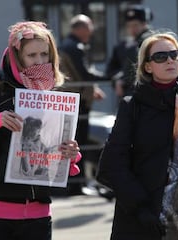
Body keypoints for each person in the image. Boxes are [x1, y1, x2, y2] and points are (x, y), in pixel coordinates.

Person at [0, 21, 81, 240]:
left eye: (45, 55)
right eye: (32, 56)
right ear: (16, 56)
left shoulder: (54, 97)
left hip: (38, 218)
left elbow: (52, 157)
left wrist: (70, 153)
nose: (40, 62)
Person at [97, 31, 178, 239]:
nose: (169, 60)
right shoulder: (132, 106)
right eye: (160, 56)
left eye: (174, 54)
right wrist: (140, 207)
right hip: (139, 216)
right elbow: (112, 164)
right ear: (147, 66)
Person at [58, 14, 107, 194]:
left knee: (74, 141)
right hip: (78, 103)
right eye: (89, 28)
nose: (91, 32)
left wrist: (92, 89)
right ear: (79, 29)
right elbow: (84, 74)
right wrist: (108, 77)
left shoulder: (68, 45)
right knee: (79, 142)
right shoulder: (75, 47)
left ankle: (76, 183)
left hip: (73, 101)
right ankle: (77, 184)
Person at [106, 4, 153, 98]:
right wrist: (117, 79)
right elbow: (111, 69)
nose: (132, 29)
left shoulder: (150, 40)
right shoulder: (123, 45)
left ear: (144, 24)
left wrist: (122, 78)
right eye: (129, 26)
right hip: (128, 94)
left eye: (135, 25)